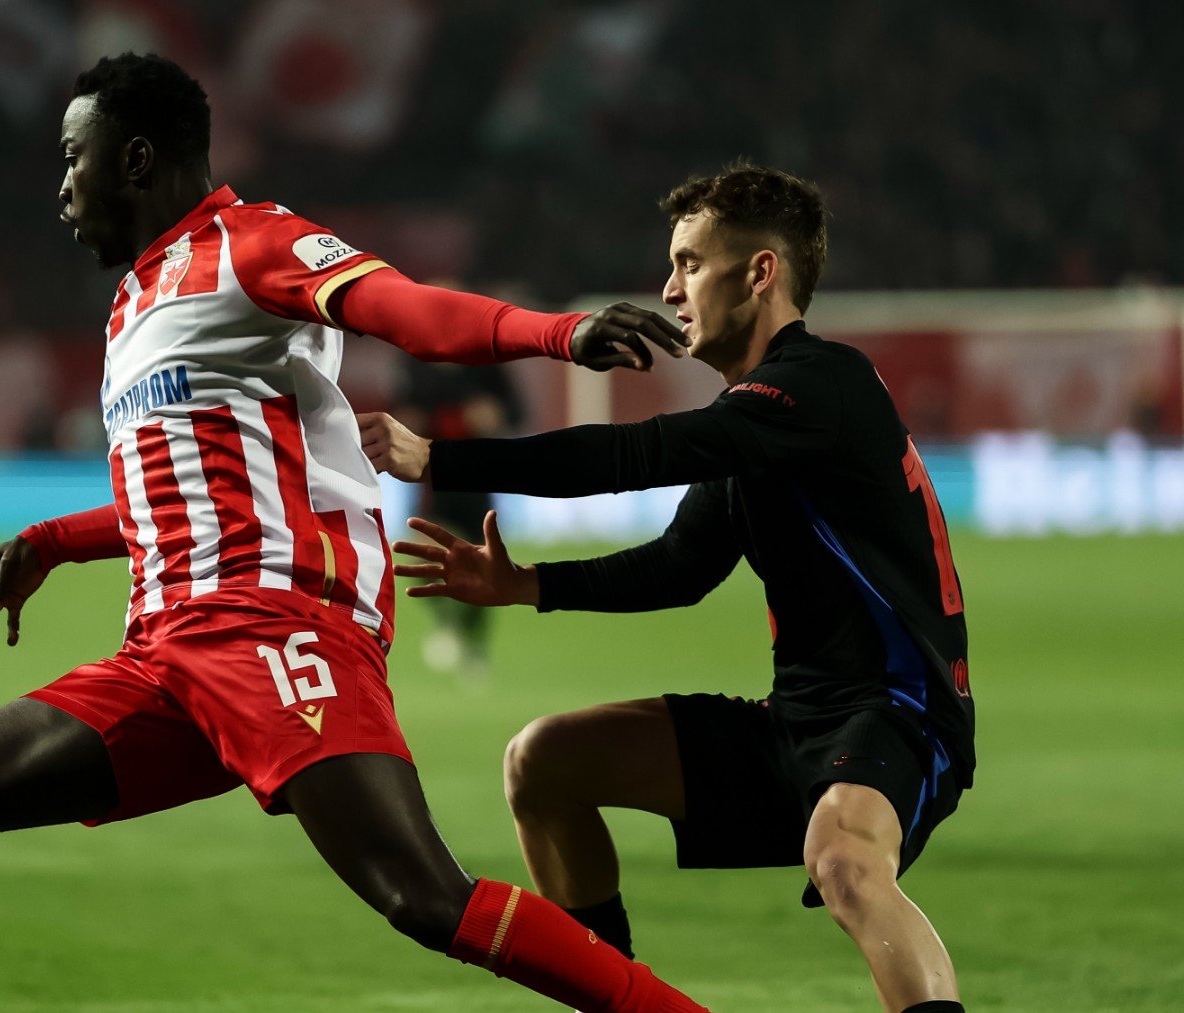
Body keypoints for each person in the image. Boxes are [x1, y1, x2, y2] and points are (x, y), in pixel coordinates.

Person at [0, 53, 710, 1013]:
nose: (60, 185)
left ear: (132, 158)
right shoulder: (134, 303)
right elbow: (191, 498)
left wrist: (556, 335)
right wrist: (49, 540)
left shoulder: (250, 245)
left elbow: (407, 309)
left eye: (71, 157)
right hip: (162, 658)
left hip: (273, 628)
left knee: (424, 895)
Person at [361, 163, 974, 1013]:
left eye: (689, 261)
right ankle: (616, 1001)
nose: (669, 286)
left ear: (760, 272)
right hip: (799, 723)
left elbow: (636, 454)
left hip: (898, 717)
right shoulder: (761, 424)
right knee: (543, 763)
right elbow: (680, 566)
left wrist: (442, 458)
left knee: (843, 863)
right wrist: (530, 585)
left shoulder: (817, 385)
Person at [391, 356, 524, 679]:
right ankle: (446, 621)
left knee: (482, 568)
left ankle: (474, 642)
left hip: (478, 483)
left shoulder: (488, 364)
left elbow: (515, 413)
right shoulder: (415, 366)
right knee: (422, 554)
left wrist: (493, 415)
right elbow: (401, 414)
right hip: (433, 483)